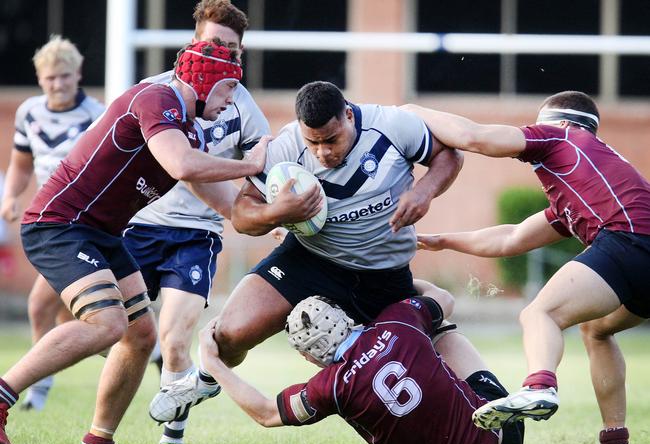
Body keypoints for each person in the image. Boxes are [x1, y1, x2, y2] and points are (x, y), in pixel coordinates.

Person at [0, 39, 269, 444]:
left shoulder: (189, 130)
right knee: (107, 324)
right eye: (229, 87)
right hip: (60, 224)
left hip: (101, 235)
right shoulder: (155, 98)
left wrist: (283, 215)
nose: (233, 99)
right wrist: (252, 164)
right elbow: (181, 165)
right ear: (204, 80)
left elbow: (227, 204)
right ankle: (3, 396)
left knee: (140, 335)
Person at [149, 80, 463, 423]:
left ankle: (480, 399)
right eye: (313, 142)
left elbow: (448, 155)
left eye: (331, 140)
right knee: (228, 334)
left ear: (348, 116)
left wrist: (425, 191)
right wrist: (276, 212)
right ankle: (207, 380)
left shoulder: (392, 125)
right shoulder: (285, 147)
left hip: (385, 274)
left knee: (426, 365)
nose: (323, 152)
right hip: (311, 260)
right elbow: (241, 216)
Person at [404, 91, 650, 444]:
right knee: (597, 330)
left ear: (564, 123)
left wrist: (407, 111)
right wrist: (441, 241)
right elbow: (512, 238)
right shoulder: (581, 190)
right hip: (639, 250)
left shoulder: (560, 137)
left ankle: (540, 386)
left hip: (630, 240)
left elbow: (475, 137)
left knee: (539, 314)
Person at [133, 0, 273, 444]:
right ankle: (99, 433)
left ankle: (173, 438)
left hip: (197, 232)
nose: (223, 54)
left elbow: (262, 167)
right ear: (194, 43)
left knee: (175, 339)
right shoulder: (154, 93)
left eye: (231, 48)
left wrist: (274, 211)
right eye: (213, 44)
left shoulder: (243, 105)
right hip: (140, 224)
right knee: (116, 331)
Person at [182, 287, 525, 444]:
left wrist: (214, 364)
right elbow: (443, 297)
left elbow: (266, 413)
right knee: (438, 327)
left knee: (429, 332)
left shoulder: (331, 386)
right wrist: (399, 287)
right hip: (501, 443)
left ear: (308, 356)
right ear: (343, 318)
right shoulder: (396, 321)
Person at [0, 36, 105, 411]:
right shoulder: (29, 112)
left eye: (64, 76)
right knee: (59, 311)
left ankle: (38, 385)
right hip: (51, 220)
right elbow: (21, 163)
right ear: (39, 78)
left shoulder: (97, 113)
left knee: (47, 307)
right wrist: (11, 195)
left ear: (78, 74)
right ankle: (157, 357)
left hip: (83, 221)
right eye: (50, 79)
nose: (58, 84)